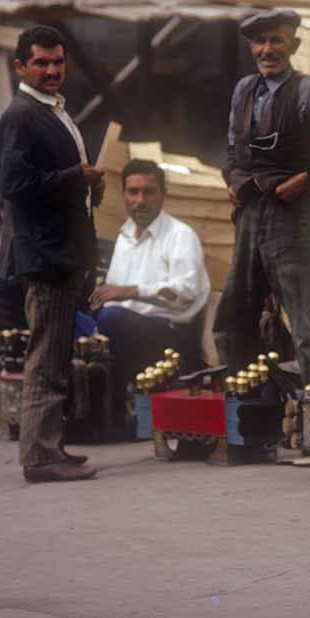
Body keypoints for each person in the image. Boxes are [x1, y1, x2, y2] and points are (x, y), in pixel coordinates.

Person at [213, 10, 310, 386]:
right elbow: (232, 148)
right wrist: (232, 179)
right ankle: (246, 407)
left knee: (307, 329)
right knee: (231, 321)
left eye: (276, 40)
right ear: (251, 46)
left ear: (293, 45)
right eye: (259, 41)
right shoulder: (244, 89)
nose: (267, 50)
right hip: (249, 216)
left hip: (291, 219)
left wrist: (308, 180)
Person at [0, 26, 103, 482]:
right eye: (41, 62)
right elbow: (13, 186)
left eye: (58, 62)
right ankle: (40, 457)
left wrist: (84, 185)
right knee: (45, 357)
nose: (52, 70)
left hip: (61, 252)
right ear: (20, 67)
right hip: (45, 256)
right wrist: (76, 176)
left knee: (55, 355)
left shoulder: (51, 110)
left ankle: (49, 445)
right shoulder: (22, 115)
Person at [77, 159, 210, 425]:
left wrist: (131, 291)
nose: (140, 200)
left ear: (163, 194)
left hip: (169, 335)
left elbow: (186, 292)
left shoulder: (180, 235)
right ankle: (91, 411)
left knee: (111, 318)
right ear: (123, 194)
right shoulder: (125, 235)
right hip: (124, 326)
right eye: (133, 192)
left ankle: (117, 411)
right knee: (68, 319)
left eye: (148, 192)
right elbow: (112, 297)